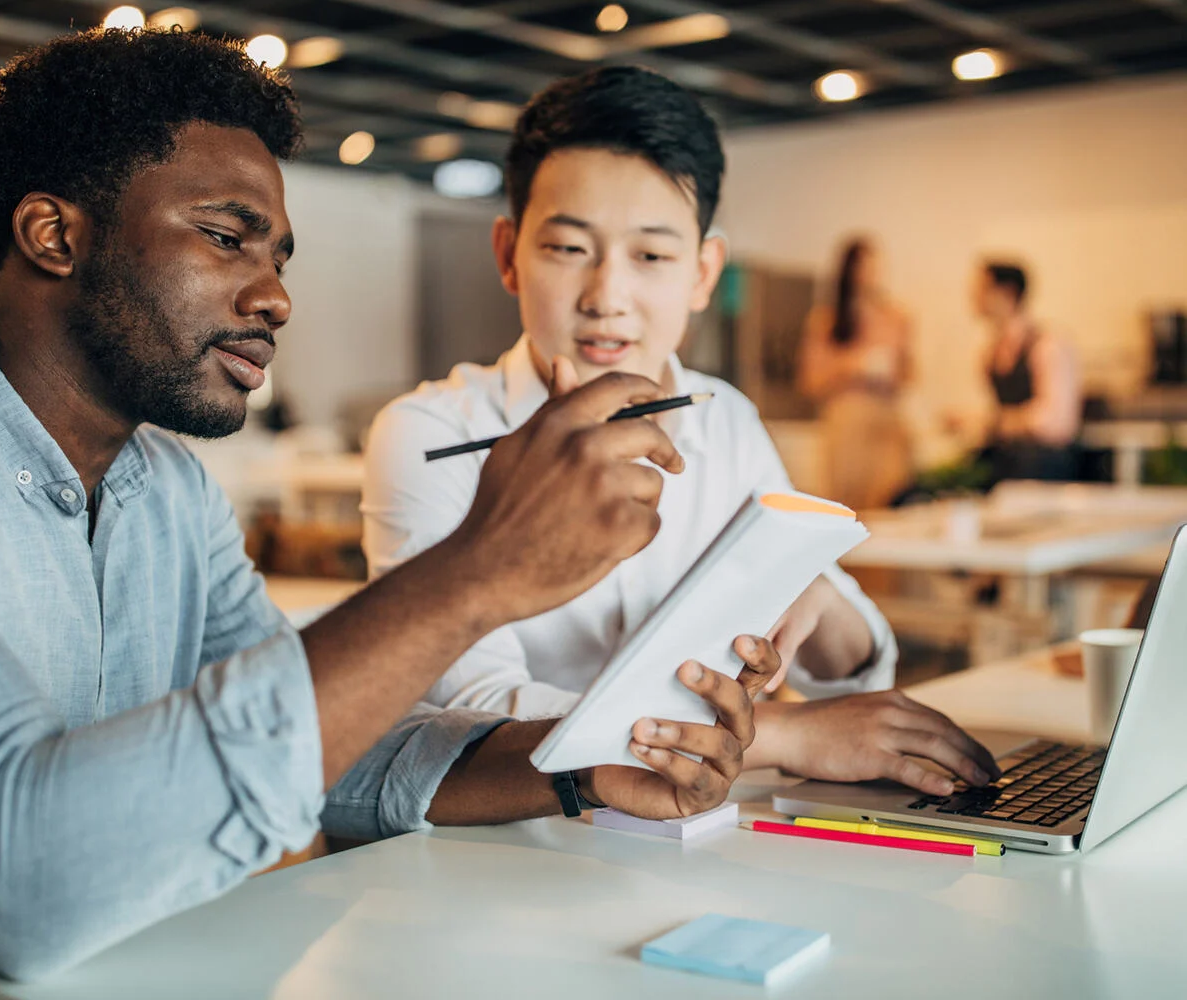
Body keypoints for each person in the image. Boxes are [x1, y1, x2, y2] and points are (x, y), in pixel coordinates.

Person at [0, 30, 780, 985]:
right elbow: (8, 880)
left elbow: (335, 754)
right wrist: (475, 573)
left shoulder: (169, 490)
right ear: (55, 235)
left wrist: (574, 768)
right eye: (224, 236)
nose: (277, 298)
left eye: (279, 257)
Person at [363, 68, 998, 797]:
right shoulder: (430, 434)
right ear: (509, 254)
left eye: (652, 256)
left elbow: (851, 667)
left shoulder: (721, 415)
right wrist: (786, 738)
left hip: (695, 825)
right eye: (569, 249)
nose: (607, 297)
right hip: (503, 837)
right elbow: (469, 709)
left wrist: (817, 590)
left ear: (703, 272)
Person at [797, 237, 914, 511]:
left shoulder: (896, 317)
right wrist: (850, 367)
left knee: (889, 502)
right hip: (846, 425)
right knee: (849, 508)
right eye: (865, 266)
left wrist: (888, 372)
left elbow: (909, 376)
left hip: (886, 423)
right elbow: (810, 382)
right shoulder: (826, 320)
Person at [971, 261, 1082, 482]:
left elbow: (1057, 422)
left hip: (1041, 465)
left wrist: (994, 422)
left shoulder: (1048, 345)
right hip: (1004, 459)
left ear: (1007, 292)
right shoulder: (990, 352)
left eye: (981, 288)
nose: (974, 296)